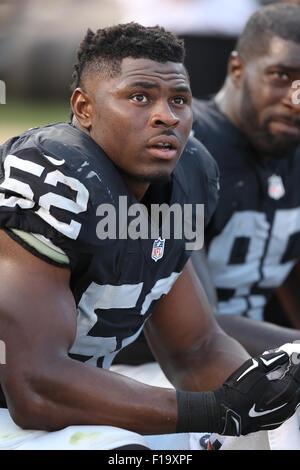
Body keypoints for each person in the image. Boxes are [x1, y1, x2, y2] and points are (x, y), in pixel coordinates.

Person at [0, 22, 299, 451]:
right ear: (84, 109)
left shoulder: (186, 178)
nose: (167, 115)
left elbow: (195, 349)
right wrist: (215, 410)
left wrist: (263, 396)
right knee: (130, 456)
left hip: (73, 403)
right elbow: (33, 387)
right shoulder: (53, 179)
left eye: (179, 99)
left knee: (268, 433)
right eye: (140, 97)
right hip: (15, 408)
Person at [190, 3, 300, 355]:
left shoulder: (291, 150)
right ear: (237, 69)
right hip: (150, 370)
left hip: (260, 363)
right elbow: (195, 327)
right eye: (281, 76)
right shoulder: (183, 147)